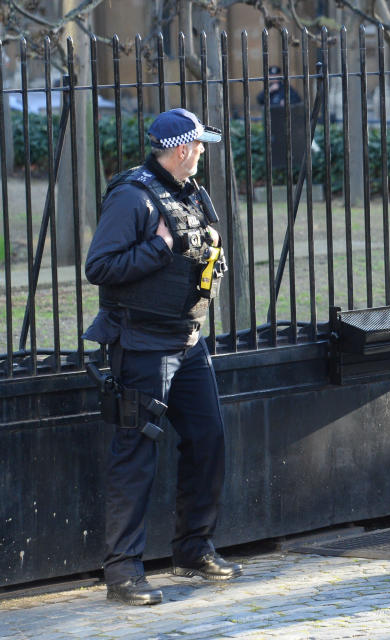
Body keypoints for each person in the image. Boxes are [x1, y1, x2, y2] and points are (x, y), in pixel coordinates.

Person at [84, 108, 241, 606]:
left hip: (187, 340)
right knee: (134, 455)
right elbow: (100, 267)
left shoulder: (188, 190)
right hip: (141, 344)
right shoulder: (133, 196)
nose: (202, 152)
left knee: (208, 439)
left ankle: (193, 548)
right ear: (180, 149)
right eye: (198, 145)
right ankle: (123, 572)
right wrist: (161, 248)